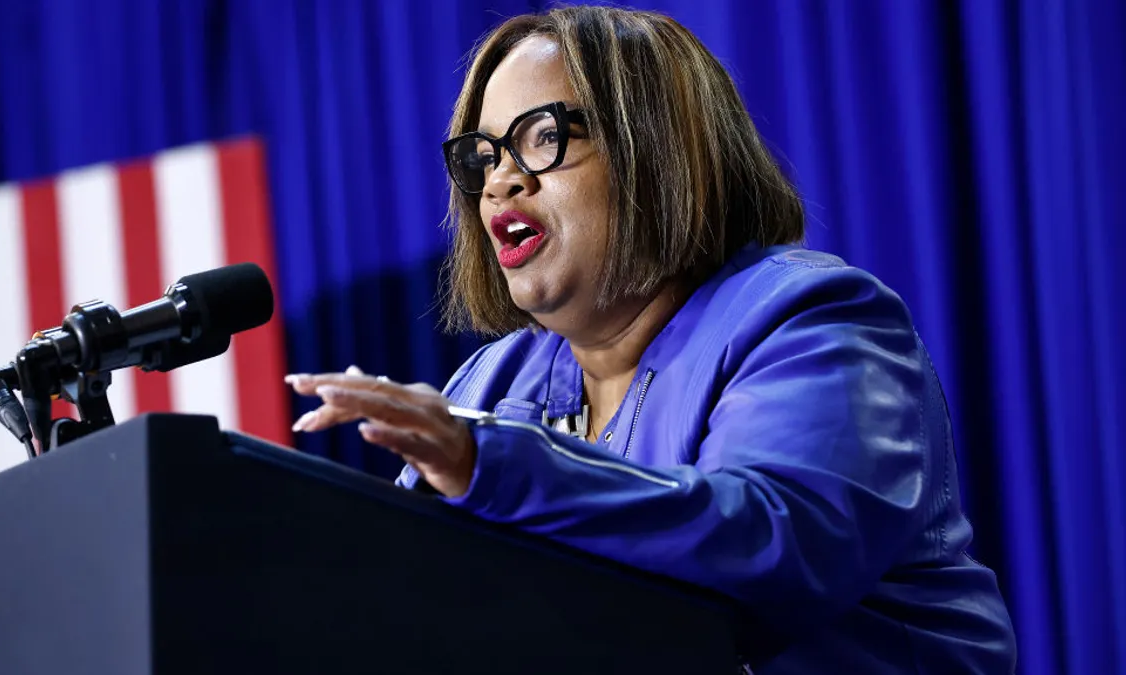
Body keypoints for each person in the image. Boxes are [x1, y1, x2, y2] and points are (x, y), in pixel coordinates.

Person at [284, 5, 1016, 673]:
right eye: (483, 156)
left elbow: (771, 547)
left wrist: (493, 467)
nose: (500, 180)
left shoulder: (813, 318)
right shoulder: (491, 384)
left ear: (656, 150)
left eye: (542, 137)